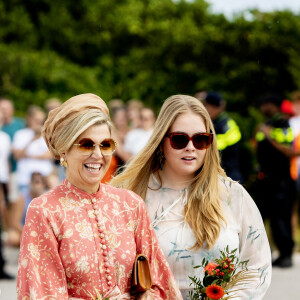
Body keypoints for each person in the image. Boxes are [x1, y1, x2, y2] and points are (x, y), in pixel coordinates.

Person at [17, 93, 182, 299]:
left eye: (105, 145)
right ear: (64, 151)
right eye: (86, 144)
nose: (97, 154)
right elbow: (42, 293)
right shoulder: (45, 210)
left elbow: (162, 284)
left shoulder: (130, 205)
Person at [111, 95, 272, 299]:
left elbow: (257, 267)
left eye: (200, 139)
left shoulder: (233, 194)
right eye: (179, 139)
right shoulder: (129, 197)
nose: (191, 147)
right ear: (161, 141)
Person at [254, 95, 295, 268]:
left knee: (281, 218)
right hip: (266, 179)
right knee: (263, 217)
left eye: (265, 104)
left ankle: (286, 254)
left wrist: (268, 135)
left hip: (281, 179)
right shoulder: (268, 123)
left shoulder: (281, 123)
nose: (262, 108)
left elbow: (289, 150)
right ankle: (272, 252)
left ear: (274, 106)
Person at [199, 91, 243, 182]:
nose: (207, 109)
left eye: (210, 106)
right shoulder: (211, 122)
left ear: (218, 108)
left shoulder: (228, 125)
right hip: (215, 174)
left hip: (228, 175)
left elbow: (215, 147)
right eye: (206, 105)